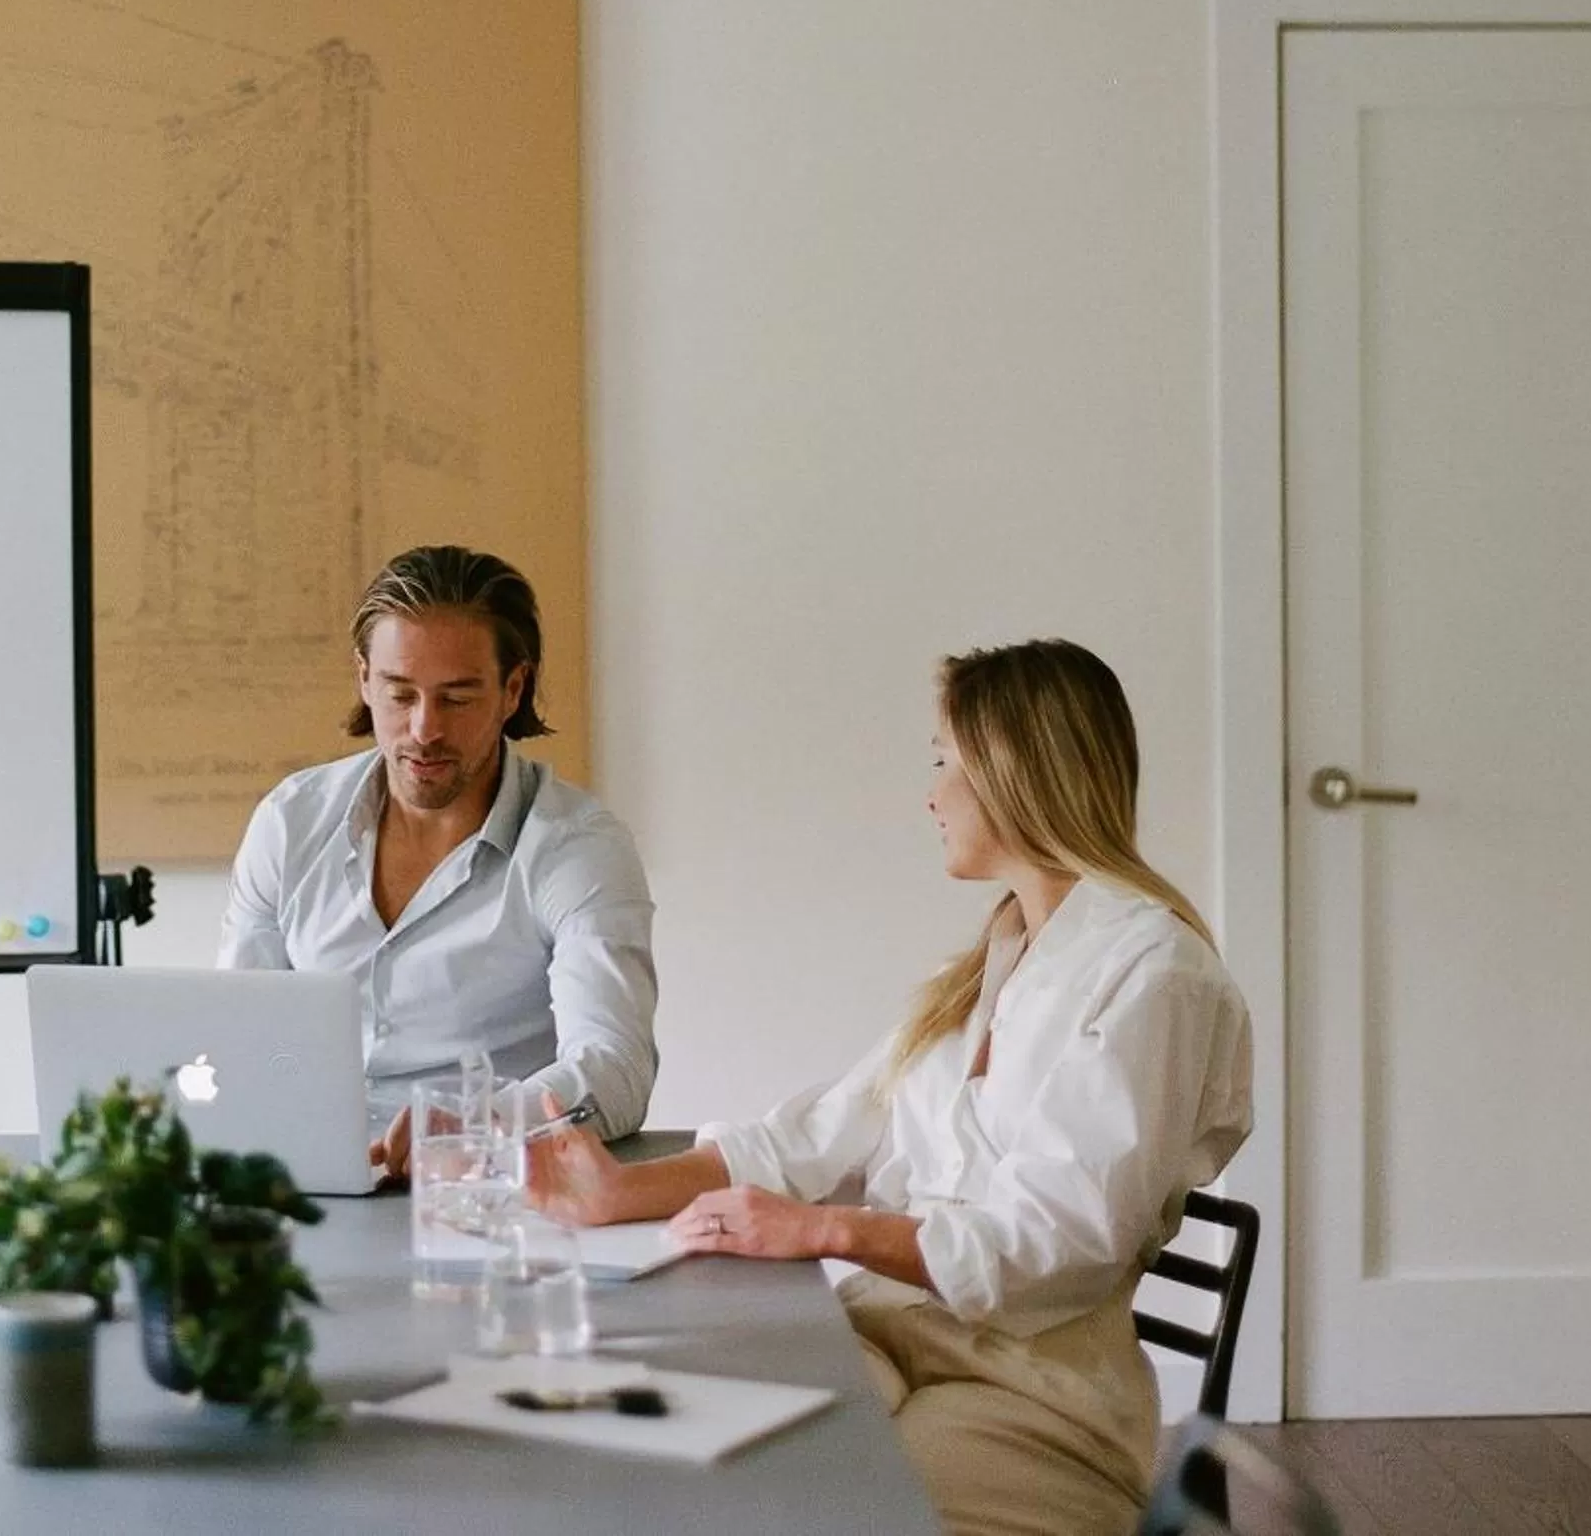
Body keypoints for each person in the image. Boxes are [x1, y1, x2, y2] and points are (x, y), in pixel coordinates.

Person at [524, 638, 1250, 1536]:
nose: (931, 792)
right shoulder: (992, 962)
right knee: (666, 1453)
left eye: (945, 760)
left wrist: (824, 1229)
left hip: (1031, 1390)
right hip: (891, 1336)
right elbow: (819, 1136)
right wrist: (618, 1191)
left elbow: (1063, 1239)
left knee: (810, 1509)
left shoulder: (1154, 971)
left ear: (1014, 768)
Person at [217, 544, 657, 1173]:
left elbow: (617, 1067)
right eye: (400, 695)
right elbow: (236, 1031)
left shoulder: (577, 848)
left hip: (488, 1186)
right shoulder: (291, 822)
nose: (424, 730)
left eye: (456, 698)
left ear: (512, 689)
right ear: (364, 679)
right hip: (306, 1181)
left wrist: (473, 1128)